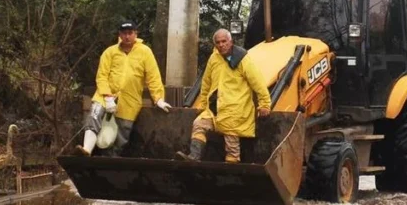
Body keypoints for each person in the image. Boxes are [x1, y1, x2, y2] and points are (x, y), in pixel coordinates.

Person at [74, 21, 171, 156]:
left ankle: (112, 159)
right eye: (124, 33)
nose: (127, 37)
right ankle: (87, 149)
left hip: (130, 99)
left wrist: (158, 99)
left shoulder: (145, 52)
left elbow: (153, 77)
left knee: (122, 132)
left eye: (130, 33)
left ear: (135, 34)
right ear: (119, 35)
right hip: (105, 95)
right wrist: (107, 97)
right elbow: (102, 76)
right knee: (94, 114)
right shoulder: (110, 52)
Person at [176, 28, 271, 163]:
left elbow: (258, 83)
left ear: (230, 41)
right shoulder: (214, 59)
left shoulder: (242, 59)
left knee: (232, 147)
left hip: (234, 112)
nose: (221, 45)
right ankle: (194, 157)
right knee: (198, 124)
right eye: (218, 42)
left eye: (224, 41)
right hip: (215, 110)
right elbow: (206, 83)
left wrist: (264, 104)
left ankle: (231, 171)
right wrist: (202, 105)